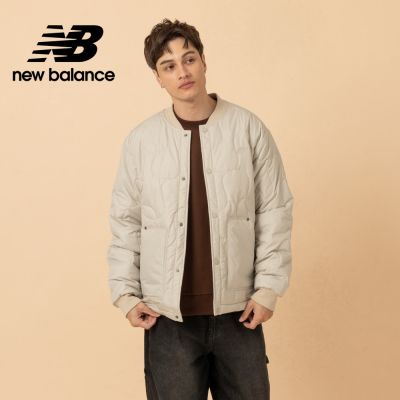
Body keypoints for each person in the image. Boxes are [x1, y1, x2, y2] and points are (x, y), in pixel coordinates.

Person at [107, 18, 294, 400]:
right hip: (167, 319)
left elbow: (274, 209)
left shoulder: (248, 129)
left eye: (188, 59)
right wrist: (126, 294)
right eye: (169, 65)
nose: (182, 72)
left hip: (239, 313)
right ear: (158, 78)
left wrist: (267, 289)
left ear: (203, 61)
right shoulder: (142, 141)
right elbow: (126, 221)